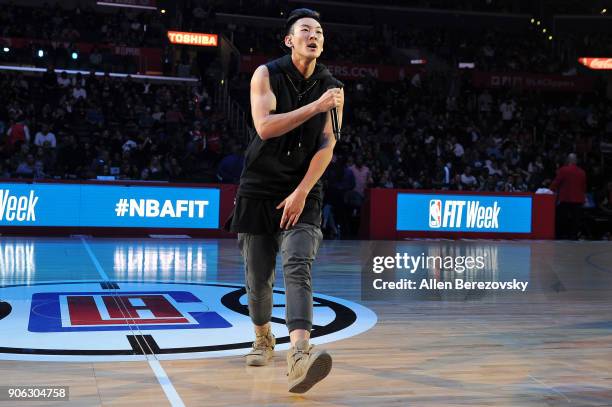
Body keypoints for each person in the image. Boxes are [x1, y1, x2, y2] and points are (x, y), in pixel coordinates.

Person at [225, 8, 343, 393]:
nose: (315, 35)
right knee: (258, 279)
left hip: (304, 187)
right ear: (289, 40)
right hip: (260, 186)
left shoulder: (334, 89)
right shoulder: (266, 74)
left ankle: (300, 354)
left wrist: (303, 191)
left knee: (297, 264)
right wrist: (314, 106)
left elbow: (327, 145)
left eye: (320, 32)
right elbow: (265, 126)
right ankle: (262, 338)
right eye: (306, 30)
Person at [550, 153, 586, 239]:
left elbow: (556, 182)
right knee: (575, 220)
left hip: (565, 199)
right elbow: (584, 187)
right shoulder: (582, 172)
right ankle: (574, 236)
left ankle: (561, 235)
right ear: (576, 161)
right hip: (578, 200)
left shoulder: (563, 170)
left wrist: (550, 190)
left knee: (562, 218)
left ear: (568, 160)